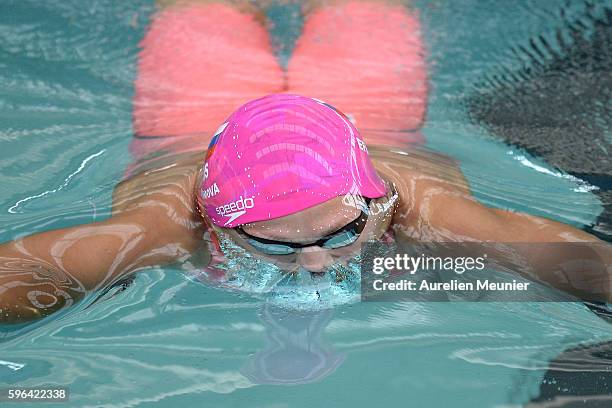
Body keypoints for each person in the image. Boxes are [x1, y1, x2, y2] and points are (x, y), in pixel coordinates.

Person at [0, 0, 610, 323]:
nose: (315, 265)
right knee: (207, 10)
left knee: (362, 10)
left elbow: (581, 265)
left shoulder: (425, 210)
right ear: (218, 225)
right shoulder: (165, 224)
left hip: (379, 122)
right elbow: (25, 274)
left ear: (378, 201)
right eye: (274, 245)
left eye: (344, 231)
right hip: (187, 131)